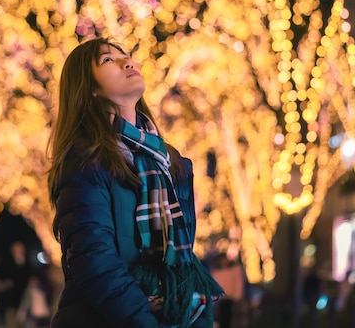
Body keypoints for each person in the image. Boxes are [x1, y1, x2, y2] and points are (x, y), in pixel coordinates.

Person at [47, 37, 223, 328]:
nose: (127, 62)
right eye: (107, 60)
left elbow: (185, 262)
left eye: (125, 56)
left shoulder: (169, 162)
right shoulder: (86, 162)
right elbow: (95, 263)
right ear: (89, 89)